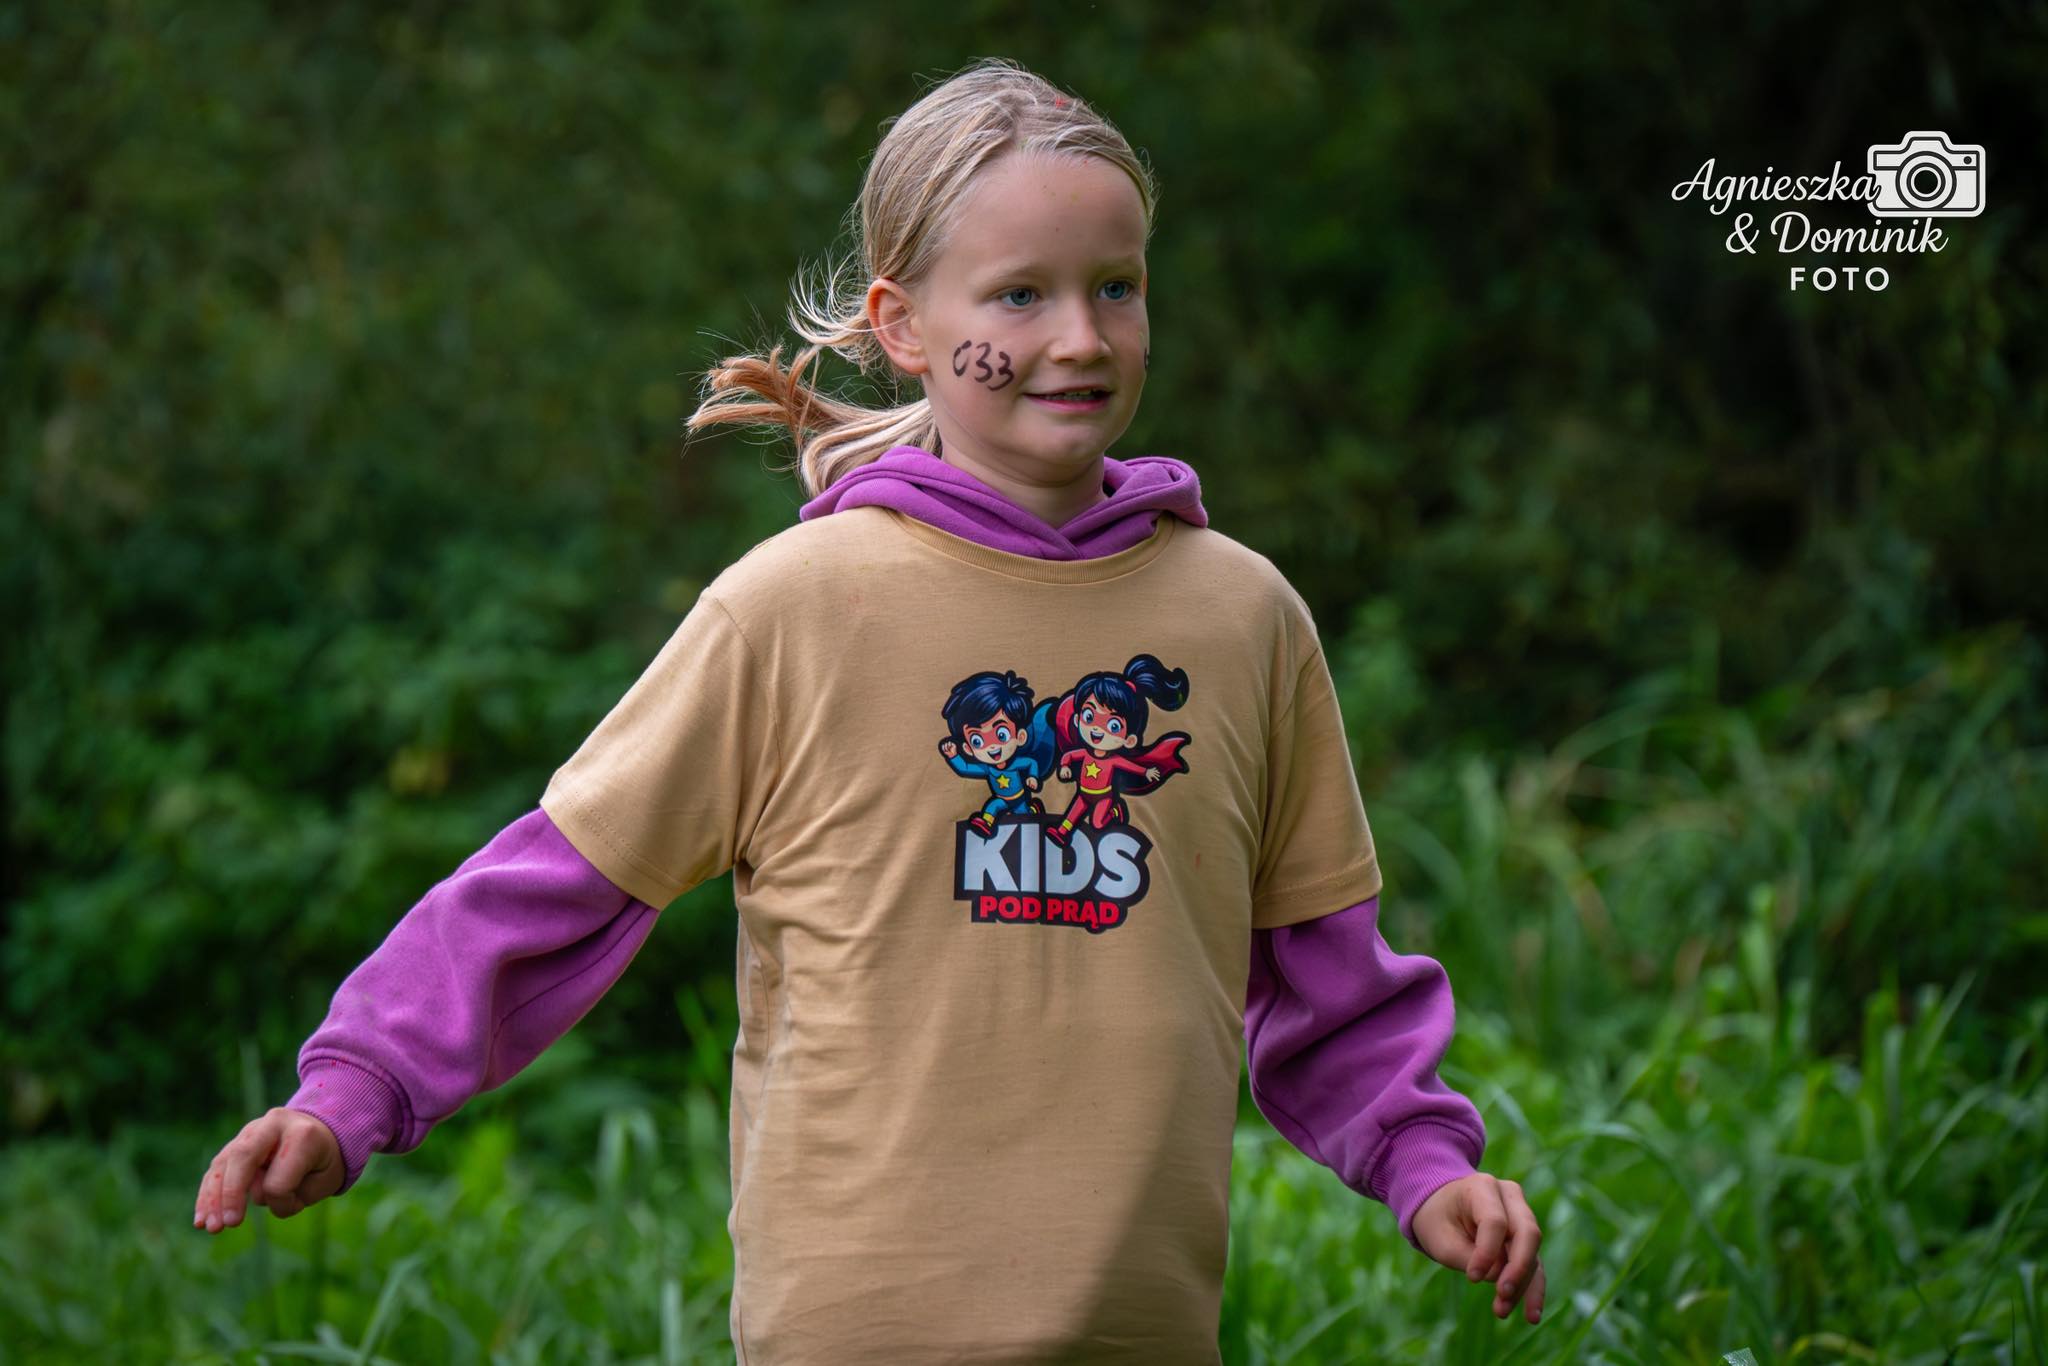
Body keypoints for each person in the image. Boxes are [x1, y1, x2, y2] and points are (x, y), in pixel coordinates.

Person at [192, 57, 1546, 1361]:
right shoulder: (792, 608)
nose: (1081, 338)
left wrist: (1425, 1163)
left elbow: (1326, 973)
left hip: (1140, 1334)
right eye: (1019, 295)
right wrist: (355, 1087)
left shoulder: (1243, 619)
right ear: (903, 326)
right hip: (857, 1333)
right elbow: (551, 891)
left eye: (1117, 287)